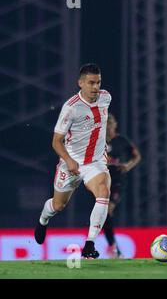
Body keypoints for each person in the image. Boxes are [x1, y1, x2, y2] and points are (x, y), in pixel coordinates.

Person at [34, 63, 112, 259]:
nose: (95, 87)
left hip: (95, 162)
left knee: (103, 190)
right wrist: (68, 160)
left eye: (98, 82)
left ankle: (89, 244)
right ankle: (43, 220)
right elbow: (56, 141)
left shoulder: (106, 97)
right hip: (71, 163)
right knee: (58, 206)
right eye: (91, 83)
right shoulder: (71, 108)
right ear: (80, 83)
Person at [103, 114, 141, 258]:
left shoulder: (121, 141)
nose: (108, 125)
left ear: (115, 124)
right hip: (101, 180)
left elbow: (136, 156)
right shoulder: (96, 141)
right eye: (106, 122)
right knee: (104, 213)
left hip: (117, 180)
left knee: (107, 210)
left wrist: (128, 165)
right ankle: (113, 247)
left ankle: (113, 248)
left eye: (110, 122)